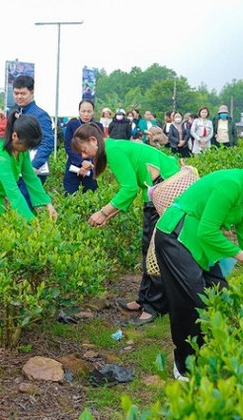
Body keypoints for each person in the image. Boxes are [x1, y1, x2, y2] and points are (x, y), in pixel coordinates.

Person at [154, 152, 243, 381]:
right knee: (191, 301)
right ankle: (183, 365)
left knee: (218, 293)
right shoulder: (231, 184)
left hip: (198, 241)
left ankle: (204, 353)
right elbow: (208, 230)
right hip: (176, 236)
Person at [71, 123, 180, 326]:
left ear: (93, 141)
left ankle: (153, 307)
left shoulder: (113, 150)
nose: (85, 156)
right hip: (157, 190)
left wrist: (103, 212)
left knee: (155, 250)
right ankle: (144, 299)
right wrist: (107, 216)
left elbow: (129, 189)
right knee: (147, 247)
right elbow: (130, 192)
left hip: (166, 191)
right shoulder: (113, 146)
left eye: (85, 150)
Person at [13, 75, 54, 209]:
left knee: (23, 206)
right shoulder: (14, 112)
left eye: (23, 93)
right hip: (18, 166)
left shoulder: (40, 115)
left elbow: (47, 142)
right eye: (16, 93)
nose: (19, 97)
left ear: (32, 92)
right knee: (17, 205)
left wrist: (35, 166)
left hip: (33, 168)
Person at [63, 100, 102, 195]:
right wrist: (81, 162)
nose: (86, 114)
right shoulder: (72, 125)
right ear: (79, 111)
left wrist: (88, 165)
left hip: (91, 167)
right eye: (83, 111)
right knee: (70, 194)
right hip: (73, 165)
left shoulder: (98, 126)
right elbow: (68, 146)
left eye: (89, 111)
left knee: (90, 194)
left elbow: (99, 148)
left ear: (93, 112)